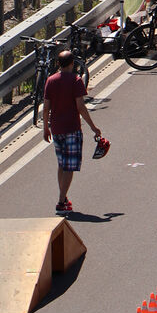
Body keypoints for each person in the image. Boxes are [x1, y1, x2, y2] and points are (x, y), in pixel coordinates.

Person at [42, 48, 104, 214]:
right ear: (72, 63)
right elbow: (81, 107)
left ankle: (64, 198)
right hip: (72, 128)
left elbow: (46, 107)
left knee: (62, 164)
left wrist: (45, 128)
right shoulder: (76, 81)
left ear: (58, 64)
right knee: (70, 165)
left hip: (56, 128)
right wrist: (93, 127)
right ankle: (61, 201)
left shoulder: (50, 81)